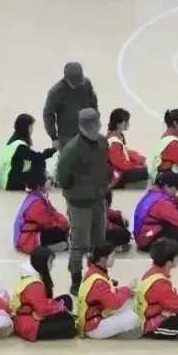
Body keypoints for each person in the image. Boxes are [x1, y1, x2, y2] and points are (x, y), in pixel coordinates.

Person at [56, 108, 110, 295]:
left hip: (98, 201)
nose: (94, 128)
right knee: (79, 244)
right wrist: (76, 192)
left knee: (99, 242)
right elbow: (62, 177)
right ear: (82, 127)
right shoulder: (72, 150)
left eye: (96, 124)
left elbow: (104, 167)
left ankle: (99, 277)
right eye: (90, 125)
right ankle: (76, 281)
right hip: (79, 204)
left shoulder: (102, 143)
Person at [76, 244, 142, 340]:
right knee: (133, 318)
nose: (114, 259)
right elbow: (113, 303)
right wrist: (127, 289)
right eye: (112, 256)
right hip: (93, 327)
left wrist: (125, 291)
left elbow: (106, 293)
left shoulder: (94, 271)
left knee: (129, 300)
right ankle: (118, 331)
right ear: (103, 258)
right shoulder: (98, 281)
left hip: (93, 317)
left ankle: (116, 328)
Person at [11, 247, 77, 342]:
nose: (52, 265)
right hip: (29, 324)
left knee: (66, 299)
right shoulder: (34, 284)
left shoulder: (29, 277)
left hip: (29, 315)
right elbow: (43, 310)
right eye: (50, 262)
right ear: (42, 263)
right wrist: (60, 308)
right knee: (69, 324)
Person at [134, 171, 178, 254]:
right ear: (167, 186)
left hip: (146, 232)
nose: (177, 190)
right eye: (176, 187)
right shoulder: (162, 203)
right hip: (148, 239)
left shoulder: (154, 193)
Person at [43, 62, 99, 151]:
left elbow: (93, 103)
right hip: (67, 135)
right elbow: (48, 114)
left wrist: (95, 122)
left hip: (86, 131)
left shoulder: (86, 84)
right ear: (66, 79)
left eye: (79, 82)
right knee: (70, 157)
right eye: (74, 82)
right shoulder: (56, 92)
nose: (77, 85)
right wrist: (54, 137)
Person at [13, 170, 70, 255]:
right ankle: (48, 248)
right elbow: (48, 223)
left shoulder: (38, 197)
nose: (50, 182)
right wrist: (64, 226)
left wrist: (64, 224)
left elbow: (54, 213)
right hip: (26, 239)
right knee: (58, 233)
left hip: (34, 232)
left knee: (62, 230)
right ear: (39, 186)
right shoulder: (36, 204)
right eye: (47, 180)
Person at [0, 113, 55, 191]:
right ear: (25, 128)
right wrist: (53, 150)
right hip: (9, 183)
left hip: (5, 181)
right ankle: (42, 184)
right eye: (30, 127)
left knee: (35, 164)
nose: (32, 130)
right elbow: (36, 157)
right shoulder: (19, 145)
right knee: (38, 165)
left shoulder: (13, 141)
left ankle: (40, 184)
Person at [106, 108, 149, 189]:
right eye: (126, 121)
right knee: (145, 171)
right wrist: (136, 166)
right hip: (117, 173)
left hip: (118, 170)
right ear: (118, 123)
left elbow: (125, 153)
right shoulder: (114, 141)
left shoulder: (116, 136)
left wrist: (139, 159)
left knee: (143, 169)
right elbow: (121, 164)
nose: (128, 124)